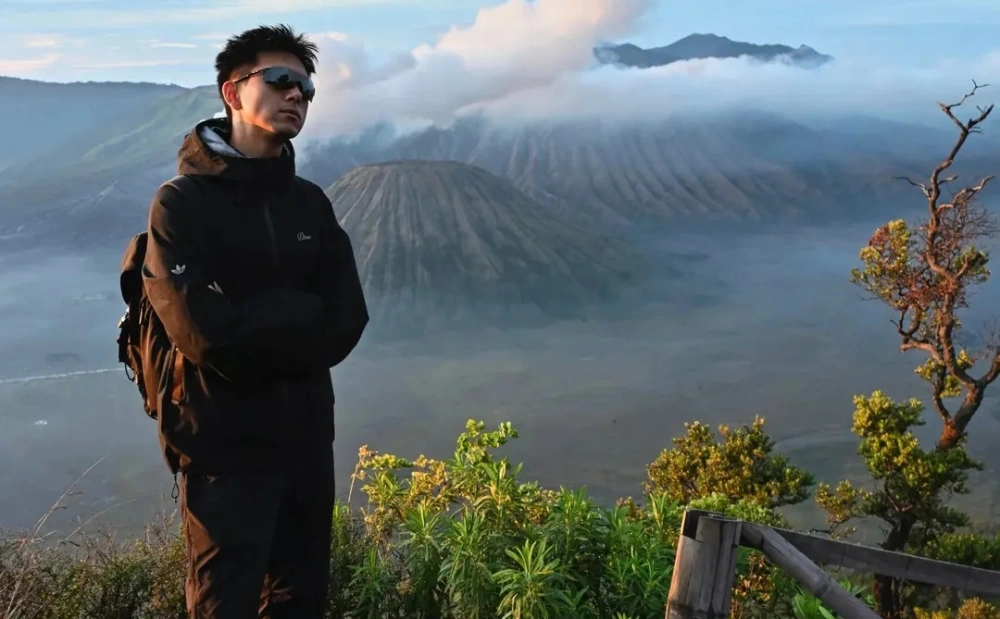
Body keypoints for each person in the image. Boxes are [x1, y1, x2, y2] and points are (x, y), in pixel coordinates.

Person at [140, 24, 369, 619]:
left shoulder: (310, 203)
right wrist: (298, 314)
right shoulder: (181, 203)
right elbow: (205, 336)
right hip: (222, 447)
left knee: (301, 600)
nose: (299, 95)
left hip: (307, 441)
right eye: (281, 80)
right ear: (232, 91)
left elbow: (347, 319)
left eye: (307, 88)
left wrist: (256, 317)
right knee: (224, 605)